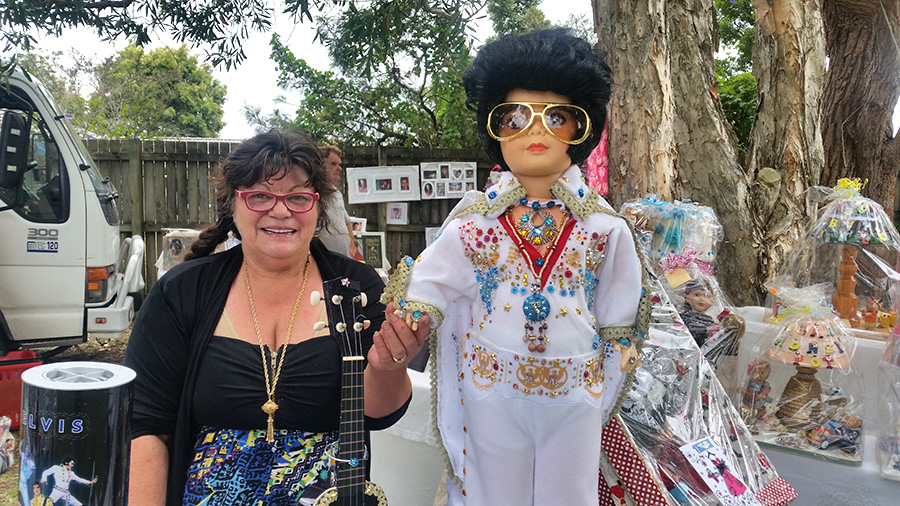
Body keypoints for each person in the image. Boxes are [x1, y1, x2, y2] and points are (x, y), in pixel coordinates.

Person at [380, 28, 650, 505]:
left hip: (576, 389)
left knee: (569, 491)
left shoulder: (605, 228)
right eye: (515, 117)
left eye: (559, 117)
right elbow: (431, 283)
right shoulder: (473, 222)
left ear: (582, 131)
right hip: (492, 382)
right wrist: (415, 314)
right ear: (494, 130)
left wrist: (619, 358)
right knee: (493, 488)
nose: (536, 130)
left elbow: (619, 306)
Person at [123, 129, 428, 505]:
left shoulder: (355, 286)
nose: (280, 210)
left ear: (317, 208)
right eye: (260, 195)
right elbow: (146, 428)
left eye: (298, 197)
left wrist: (387, 368)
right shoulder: (183, 292)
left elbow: (379, 416)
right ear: (232, 206)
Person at [316, 144, 362, 260]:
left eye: (339, 164)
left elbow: (347, 221)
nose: (339, 168)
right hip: (321, 261)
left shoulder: (337, 193)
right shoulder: (311, 194)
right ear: (320, 166)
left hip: (343, 261)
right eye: (333, 164)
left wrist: (351, 246)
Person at [679, 279, 716, 346]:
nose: (702, 299)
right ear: (686, 297)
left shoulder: (710, 321)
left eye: (707, 296)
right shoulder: (682, 317)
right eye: (696, 295)